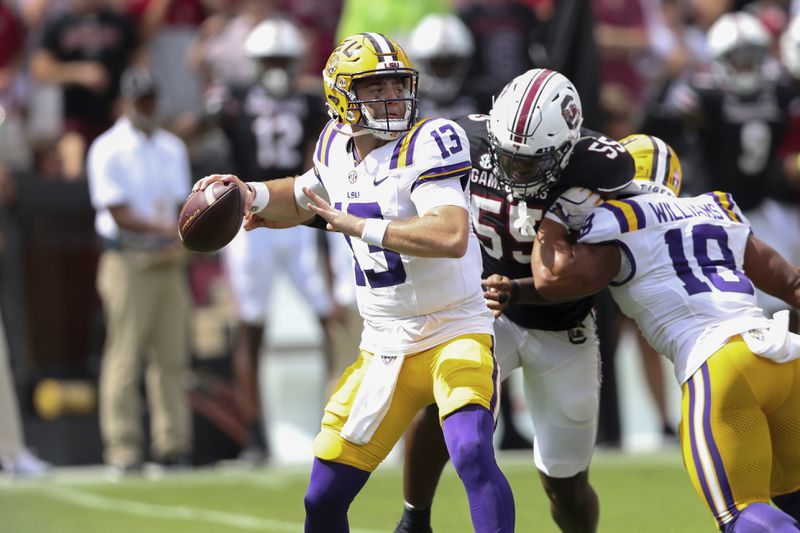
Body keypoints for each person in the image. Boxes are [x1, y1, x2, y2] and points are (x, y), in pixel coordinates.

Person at [193, 32, 515, 532]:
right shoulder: (334, 145)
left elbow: (451, 234)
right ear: (342, 97)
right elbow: (303, 196)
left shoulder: (430, 139)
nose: (392, 98)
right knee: (322, 500)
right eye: (375, 88)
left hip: (456, 326)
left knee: (472, 450)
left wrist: (360, 226)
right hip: (384, 343)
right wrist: (249, 193)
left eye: (396, 85)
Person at [393, 68, 636, 533]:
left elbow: (585, 273)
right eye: (509, 158)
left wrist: (516, 287)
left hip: (563, 325)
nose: (517, 171)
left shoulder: (602, 166)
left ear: (566, 148)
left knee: (566, 485)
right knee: (440, 403)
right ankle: (413, 520)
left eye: (532, 163)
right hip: (484, 313)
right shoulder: (465, 140)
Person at [532, 133, 800, 531]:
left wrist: (555, 216)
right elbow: (790, 283)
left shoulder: (617, 220)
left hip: (720, 365)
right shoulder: (713, 207)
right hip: (784, 358)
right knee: (793, 501)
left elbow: (553, 277)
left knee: (740, 512)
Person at [210, 18, 339, 463]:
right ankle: (256, 433)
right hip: (250, 221)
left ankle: (338, 414)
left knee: (329, 317)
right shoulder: (234, 100)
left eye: (285, 61)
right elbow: (202, 128)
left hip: (296, 212)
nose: (279, 69)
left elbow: (316, 160)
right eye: (272, 61)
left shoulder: (306, 101)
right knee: (251, 325)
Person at [87, 66, 193, 474]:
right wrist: (170, 228)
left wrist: (181, 233)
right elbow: (116, 211)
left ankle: (173, 444)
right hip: (127, 258)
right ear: (125, 103)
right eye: (139, 100)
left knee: (171, 356)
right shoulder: (107, 148)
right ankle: (124, 447)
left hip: (168, 258)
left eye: (150, 99)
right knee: (125, 354)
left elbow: (183, 202)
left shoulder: (171, 147)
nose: (146, 106)